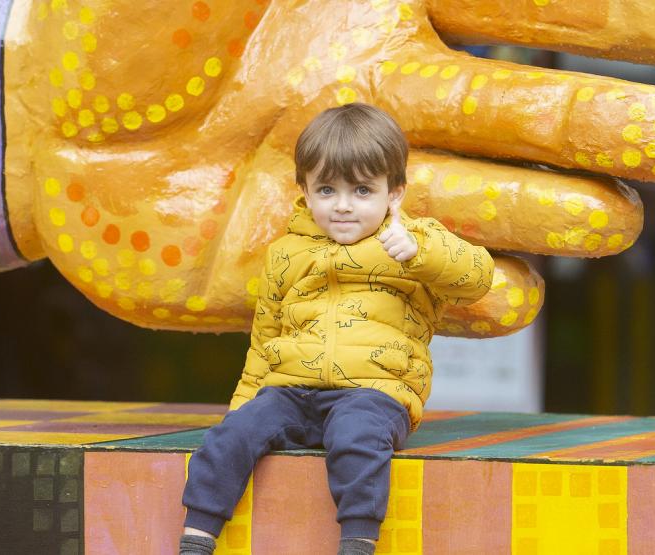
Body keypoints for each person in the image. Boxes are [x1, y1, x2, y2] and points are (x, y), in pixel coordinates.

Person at [179, 103, 494, 555]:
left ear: (395, 194)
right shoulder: (286, 253)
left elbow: (477, 277)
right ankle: (197, 537)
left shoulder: (412, 242)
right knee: (230, 435)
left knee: (356, 438)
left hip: (374, 392)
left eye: (363, 190)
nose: (343, 205)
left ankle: (358, 543)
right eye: (327, 189)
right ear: (305, 190)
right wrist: (242, 409)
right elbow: (265, 337)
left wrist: (418, 252)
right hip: (290, 391)